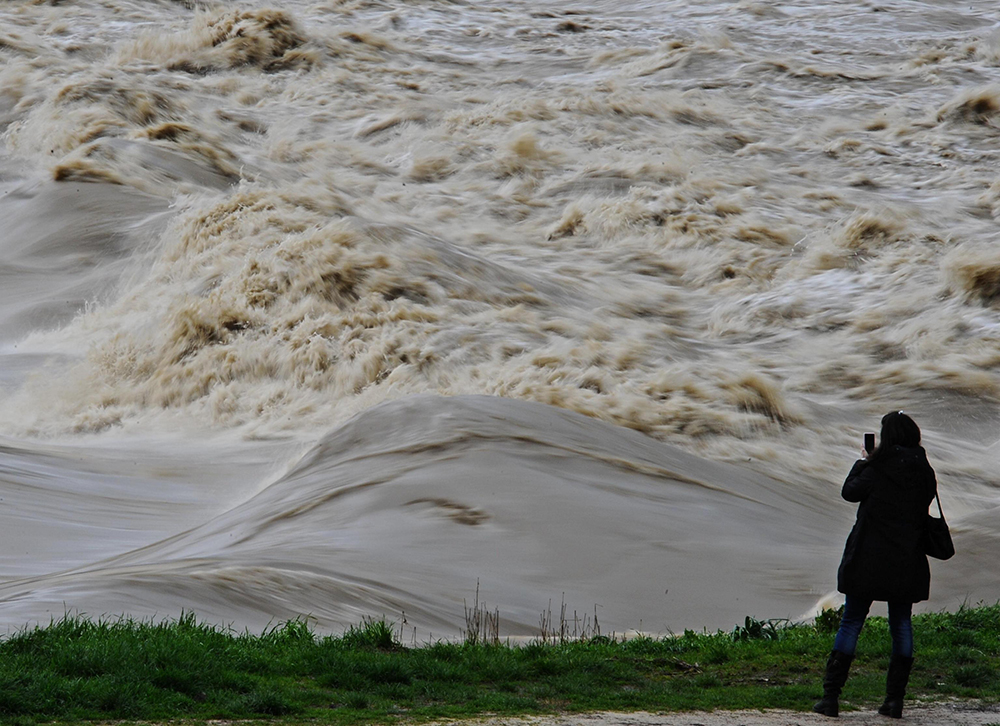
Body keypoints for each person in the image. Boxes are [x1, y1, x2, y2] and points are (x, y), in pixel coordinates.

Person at [813, 411, 937, 719]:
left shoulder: (877, 468)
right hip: (907, 559)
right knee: (901, 623)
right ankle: (894, 701)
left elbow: (849, 492)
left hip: (868, 558)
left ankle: (830, 699)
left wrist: (864, 460)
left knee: (852, 621)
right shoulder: (924, 471)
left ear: (887, 437)